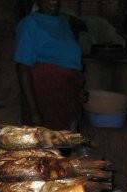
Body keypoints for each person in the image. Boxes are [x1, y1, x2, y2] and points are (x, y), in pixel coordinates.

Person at [13, 0, 85, 131]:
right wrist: (34, 111)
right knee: (48, 146)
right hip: (45, 99)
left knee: (65, 144)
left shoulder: (63, 22)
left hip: (66, 98)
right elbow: (23, 67)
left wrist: (77, 90)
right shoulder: (30, 24)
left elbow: (69, 60)